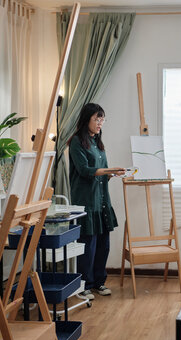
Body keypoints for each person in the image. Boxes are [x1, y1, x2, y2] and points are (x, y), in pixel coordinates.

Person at [68, 103, 125, 300]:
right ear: (87, 120)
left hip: (102, 201)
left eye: (102, 119)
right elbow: (85, 171)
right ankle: (84, 285)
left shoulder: (98, 143)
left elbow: (103, 171)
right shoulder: (76, 142)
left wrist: (112, 174)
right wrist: (109, 171)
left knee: (103, 245)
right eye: (97, 119)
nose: (100, 122)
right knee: (88, 246)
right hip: (86, 202)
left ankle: (99, 282)